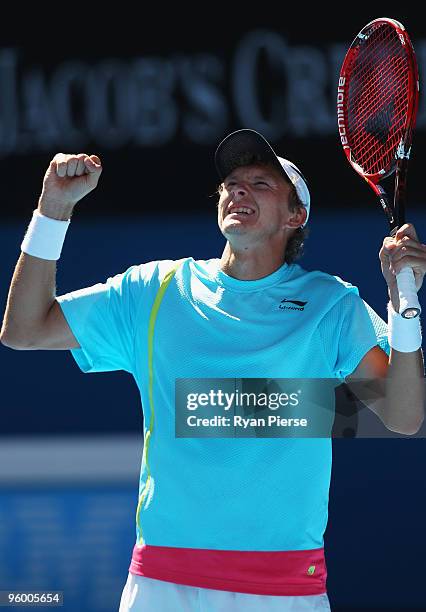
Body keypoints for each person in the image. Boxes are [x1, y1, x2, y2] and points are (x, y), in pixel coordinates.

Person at [1, 129, 425, 612]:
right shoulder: (154, 290)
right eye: (231, 183)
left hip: (284, 590)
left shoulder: (331, 305)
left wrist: (403, 304)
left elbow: (404, 414)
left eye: (261, 183)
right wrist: (53, 210)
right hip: (162, 586)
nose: (238, 189)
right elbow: (24, 329)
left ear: (295, 216)